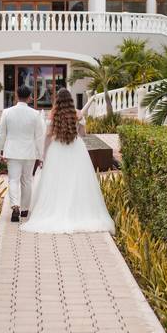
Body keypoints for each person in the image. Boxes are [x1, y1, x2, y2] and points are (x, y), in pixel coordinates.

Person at [21, 88, 115, 234]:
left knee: (57, 180)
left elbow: (47, 136)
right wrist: (81, 124)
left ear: (57, 100)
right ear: (70, 100)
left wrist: (43, 155)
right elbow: (83, 134)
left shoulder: (53, 114)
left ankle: (57, 209)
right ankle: (77, 211)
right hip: (76, 149)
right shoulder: (78, 114)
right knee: (77, 180)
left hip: (57, 149)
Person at [0, 84, 45, 222]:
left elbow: (1, 134)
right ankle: (25, 210)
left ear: (16, 96)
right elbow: (39, 137)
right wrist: (41, 156)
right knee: (27, 180)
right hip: (29, 152)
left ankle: (15, 205)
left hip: (12, 152)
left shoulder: (7, 112)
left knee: (13, 180)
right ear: (29, 98)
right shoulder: (35, 114)